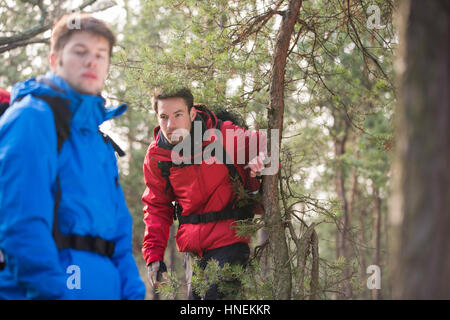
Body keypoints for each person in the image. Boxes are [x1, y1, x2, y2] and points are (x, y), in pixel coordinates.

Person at [0, 13, 145, 300]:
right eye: (80, 52)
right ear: (55, 60)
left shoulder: (99, 140)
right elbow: (22, 223)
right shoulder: (32, 118)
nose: (91, 61)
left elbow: (119, 235)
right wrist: (51, 293)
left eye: (100, 55)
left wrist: (132, 293)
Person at [141, 87, 267, 299]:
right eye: (164, 117)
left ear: (191, 114)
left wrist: (262, 160)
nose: (170, 125)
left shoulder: (223, 134)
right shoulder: (157, 156)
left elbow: (263, 144)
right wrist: (153, 256)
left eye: (178, 115)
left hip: (230, 240)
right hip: (193, 251)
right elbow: (156, 207)